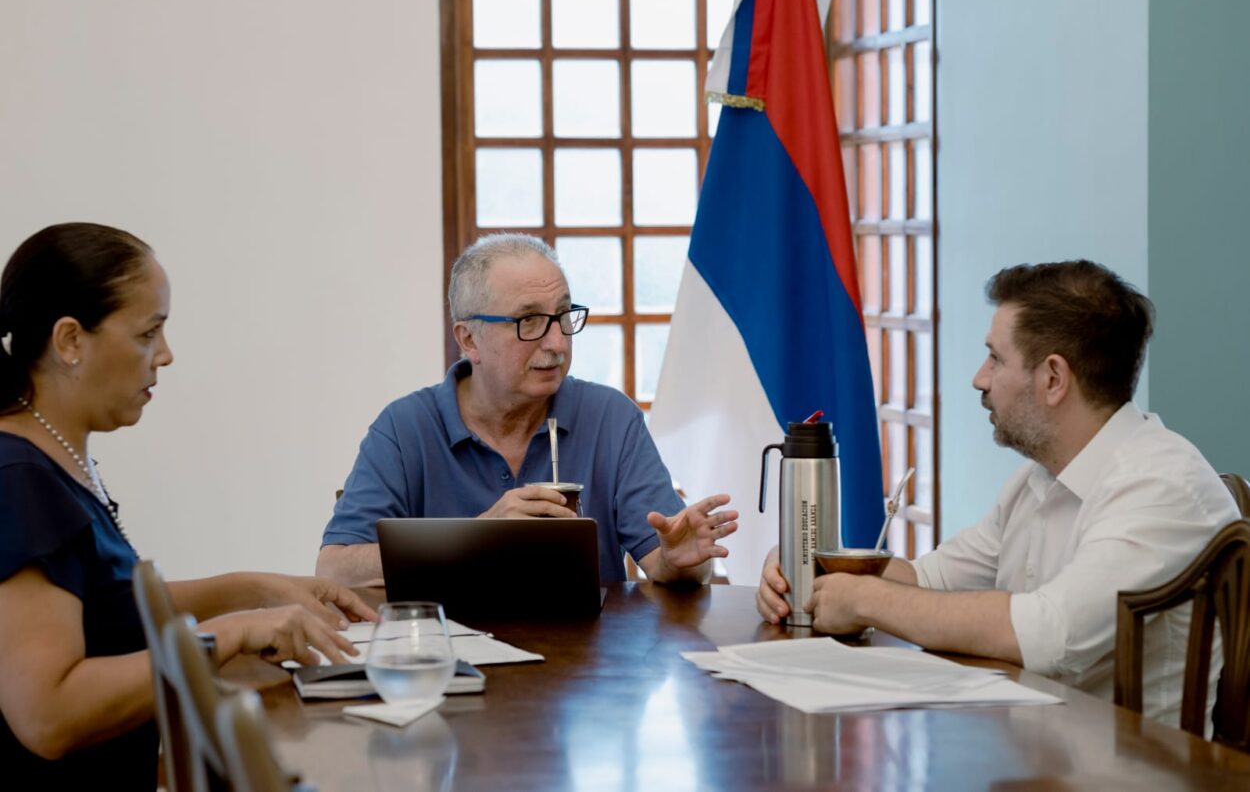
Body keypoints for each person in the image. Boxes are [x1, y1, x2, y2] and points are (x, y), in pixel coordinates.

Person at [756, 260, 1238, 724]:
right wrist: (806, 571)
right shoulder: (1039, 479)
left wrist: (862, 600)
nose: (979, 379)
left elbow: (1052, 634)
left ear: (1053, 378)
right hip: (1032, 756)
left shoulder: (1160, 486)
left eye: (995, 358)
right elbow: (929, 581)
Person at [0, 223, 377, 787]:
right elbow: (46, 715)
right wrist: (229, 634)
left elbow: (105, 607)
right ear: (71, 341)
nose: (167, 355)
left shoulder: (51, 460)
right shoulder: (19, 479)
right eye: (150, 333)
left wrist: (251, 590)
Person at [317, 233, 737, 587]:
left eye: (562, 317)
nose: (557, 343)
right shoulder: (405, 427)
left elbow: (663, 559)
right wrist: (477, 537)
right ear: (468, 340)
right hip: (453, 664)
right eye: (529, 322)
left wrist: (681, 561)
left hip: (589, 668)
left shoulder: (611, 418)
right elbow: (334, 571)